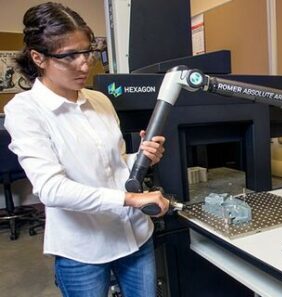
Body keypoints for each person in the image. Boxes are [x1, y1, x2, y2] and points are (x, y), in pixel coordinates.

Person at [4, 2, 170, 297]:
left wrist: (141, 157)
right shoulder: (25, 110)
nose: (85, 64)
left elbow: (114, 164)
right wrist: (131, 198)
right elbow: (51, 189)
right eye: (70, 56)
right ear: (38, 57)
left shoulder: (99, 100)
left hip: (134, 236)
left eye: (88, 52)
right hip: (83, 249)